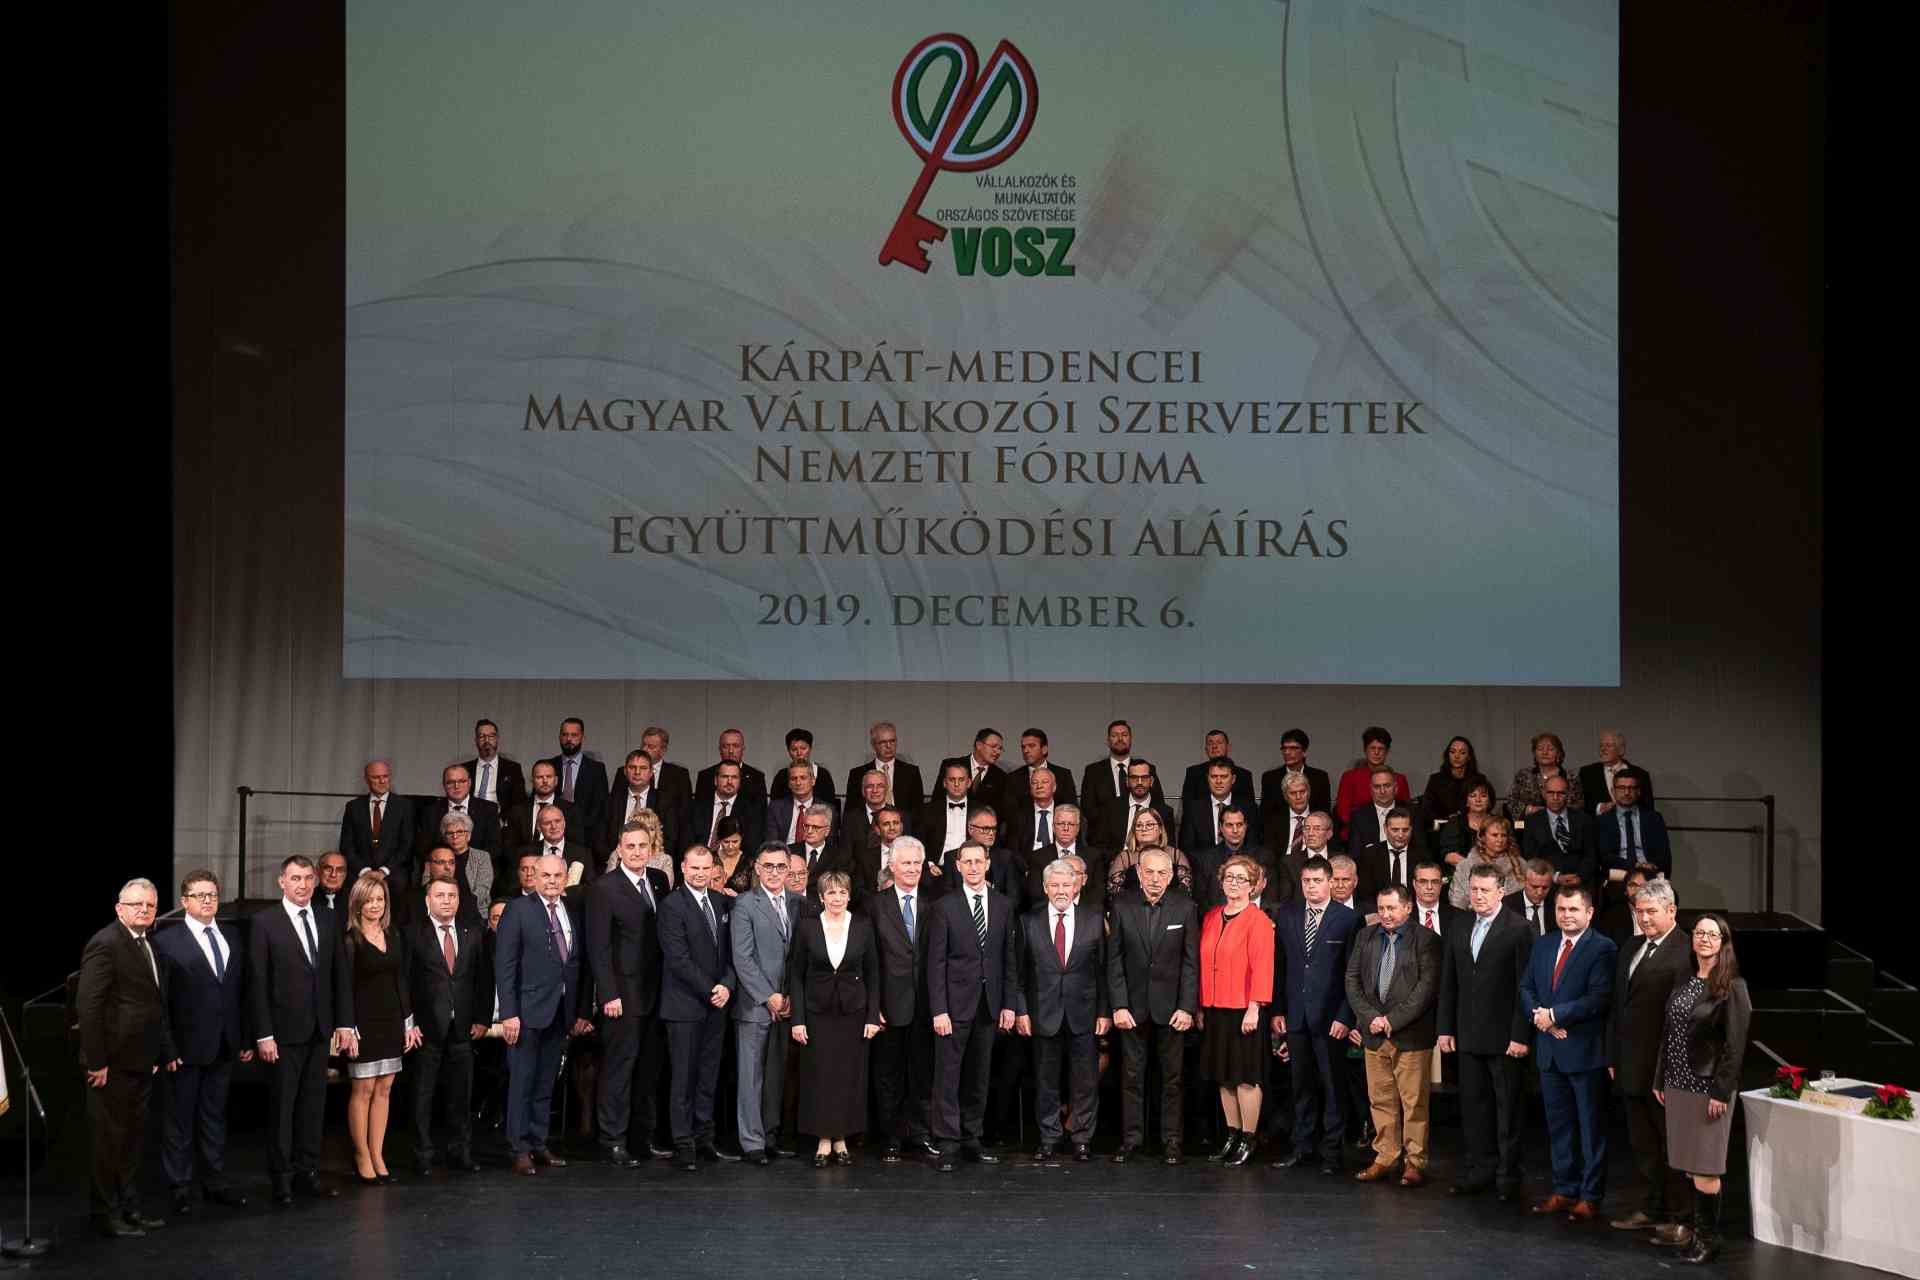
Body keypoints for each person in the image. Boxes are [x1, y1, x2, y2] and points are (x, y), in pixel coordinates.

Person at [249, 854, 356, 1204]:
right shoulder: (264, 922)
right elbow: (257, 982)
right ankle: (281, 1178)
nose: (303, 884)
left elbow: (339, 974)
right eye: (295, 878)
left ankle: (307, 1172)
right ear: (282, 882)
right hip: (281, 1034)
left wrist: (344, 1023)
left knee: (313, 1106)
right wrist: (263, 1033)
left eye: (309, 878)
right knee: (283, 1108)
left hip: (320, 1031)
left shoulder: (327, 917)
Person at [78, 878, 179, 1238]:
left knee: (133, 1142)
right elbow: (89, 1007)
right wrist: (96, 1062)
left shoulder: (148, 943)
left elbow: (155, 1005)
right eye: (137, 904)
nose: (144, 910)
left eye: (150, 905)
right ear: (119, 909)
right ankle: (104, 1215)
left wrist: (164, 1051)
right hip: (112, 1065)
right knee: (109, 1142)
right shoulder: (105, 943)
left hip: (142, 1061)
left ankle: (130, 1208)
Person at [1653, 913, 1752, 1264]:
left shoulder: (1733, 987)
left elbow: (1734, 1047)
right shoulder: (1685, 981)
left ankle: (1708, 1240)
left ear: (1723, 943)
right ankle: (1697, 1235)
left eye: (1712, 934)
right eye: (1699, 933)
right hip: (1678, 1085)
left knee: (1706, 1167)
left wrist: (1721, 1091)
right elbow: (1669, 1034)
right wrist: (1660, 1078)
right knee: (1689, 1166)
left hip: (1708, 1089)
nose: (1704, 939)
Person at [152, 870, 249, 1217]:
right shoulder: (166, 942)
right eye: (199, 895)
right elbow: (160, 1003)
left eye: (212, 894)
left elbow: (240, 992)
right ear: (184, 902)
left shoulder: (232, 936)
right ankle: (179, 1186)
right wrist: (167, 1048)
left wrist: (244, 1037)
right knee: (179, 1121)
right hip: (184, 1049)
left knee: (214, 1118)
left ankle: (214, 1182)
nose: (207, 900)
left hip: (223, 1044)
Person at [1436, 864, 1535, 1200]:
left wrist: (1520, 1035)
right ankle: (1479, 1171)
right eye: (1474, 889)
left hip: (1505, 1038)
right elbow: (1449, 980)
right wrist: (1445, 1028)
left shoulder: (1520, 928)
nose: (1477, 895)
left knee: (1507, 1111)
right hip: (1467, 1035)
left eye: (1484, 890)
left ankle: (1507, 1178)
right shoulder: (1460, 924)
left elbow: (1525, 988)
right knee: (1473, 1108)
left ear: (1501, 892)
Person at [1520, 884, 1618, 1221]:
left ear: (1589, 912)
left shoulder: (1603, 948)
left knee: (1590, 1129)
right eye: (1561, 909)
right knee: (1559, 1127)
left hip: (1585, 1053)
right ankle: (1564, 1190)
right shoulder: (1544, 943)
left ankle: (1590, 1196)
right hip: (1550, 1051)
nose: (1566, 915)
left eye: (1574, 909)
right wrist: (1541, 1019)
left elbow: (1599, 998)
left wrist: (1556, 1015)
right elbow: (1526, 987)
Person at [1609, 878, 1697, 1239]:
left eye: (1651, 912)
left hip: (1664, 1069)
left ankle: (1682, 1217)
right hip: (1629, 1064)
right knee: (1643, 1144)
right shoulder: (1631, 946)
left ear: (1671, 910)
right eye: (1639, 911)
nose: (1644, 918)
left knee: (1671, 1144)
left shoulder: (1686, 951)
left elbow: (1682, 1020)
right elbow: (1618, 1006)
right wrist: (1613, 1055)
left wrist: (1665, 1071)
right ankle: (1652, 1207)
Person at [925, 842, 1019, 1171]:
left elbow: (1008, 958)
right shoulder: (944, 907)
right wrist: (939, 1009)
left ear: (988, 863)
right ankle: (948, 1141)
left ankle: (971, 1137)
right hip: (953, 1007)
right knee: (948, 1075)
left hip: (989, 1004)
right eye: (968, 862)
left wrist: (1009, 1004)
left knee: (979, 1075)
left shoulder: (1003, 905)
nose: (974, 867)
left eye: (979, 861)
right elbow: (935, 963)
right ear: (958, 866)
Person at [1011, 860, 1111, 1162]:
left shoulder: (1094, 919)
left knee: (1085, 1081)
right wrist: (1021, 1011)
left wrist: (1104, 1012)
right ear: (1045, 888)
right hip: (1042, 1013)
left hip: (1085, 1013)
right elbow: (1018, 973)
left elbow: (1103, 971)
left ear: (1076, 886)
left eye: (1066, 884)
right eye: (1054, 885)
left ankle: (1082, 1138)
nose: (1061, 890)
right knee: (1045, 1080)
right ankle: (1049, 1137)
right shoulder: (1028, 921)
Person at [1345, 882, 1442, 1187]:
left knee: (1414, 1103)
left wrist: (1392, 1021)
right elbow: (1352, 980)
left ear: (1408, 908)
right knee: (1380, 1099)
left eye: (1392, 908)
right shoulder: (1365, 936)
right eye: (1381, 908)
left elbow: (1425, 990)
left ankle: (1415, 1162)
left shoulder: (1426, 940)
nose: (1385, 914)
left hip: (1410, 1035)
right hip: (1374, 1034)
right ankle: (1386, 1156)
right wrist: (1371, 1018)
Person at [588, 819, 672, 1166]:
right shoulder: (604, 888)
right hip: (622, 996)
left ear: (651, 849)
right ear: (620, 849)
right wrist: (609, 994)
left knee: (648, 1070)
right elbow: (598, 947)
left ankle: (642, 1139)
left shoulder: (659, 879)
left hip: (657, 993)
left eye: (643, 846)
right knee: (619, 1070)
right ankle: (612, 1140)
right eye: (631, 846)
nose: (637, 852)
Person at [1106, 848, 1199, 1164]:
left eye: (1162, 873)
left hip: (1172, 1010)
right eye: (1149, 872)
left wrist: (1187, 1007)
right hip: (1132, 1009)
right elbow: (1114, 960)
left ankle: (1172, 1141)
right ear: (1138, 873)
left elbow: (1191, 963)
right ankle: (1132, 1140)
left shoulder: (1186, 908)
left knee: (1173, 1079)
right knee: (1131, 1077)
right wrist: (1119, 1005)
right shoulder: (1122, 906)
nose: (1155, 879)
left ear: (1171, 875)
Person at [494, 853, 581, 1175]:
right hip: (526, 1012)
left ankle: (538, 1141)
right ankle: (518, 1148)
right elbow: (505, 965)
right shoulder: (518, 910)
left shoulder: (571, 909)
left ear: (565, 879)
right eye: (546, 875)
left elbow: (573, 962)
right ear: (534, 877)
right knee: (523, 1082)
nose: (552, 881)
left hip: (559, 1010)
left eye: (558, 876)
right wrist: (509, 1013)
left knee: (545, 1082)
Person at [1269, 856, 1358, 1172]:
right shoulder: (1288, 914)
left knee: (1333, 1088)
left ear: (1330, 882)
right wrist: (1278, 1009)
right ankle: (1302, 1147)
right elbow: (1280, 966)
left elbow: (1352, 974)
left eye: (1317, 881)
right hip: (1295, 1015)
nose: (1311, 886)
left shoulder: (1348, 919)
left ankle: (1332, 1153)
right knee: (1301, 1086)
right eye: (1306, 881)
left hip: (1331, 1018)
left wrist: (1345, 1017)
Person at [788, 869, 882, 1165]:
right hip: (817, 1014)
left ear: (849, 896)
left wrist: (872, 1016)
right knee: (820, 1077)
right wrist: (798, 1019)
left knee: (848, 1077)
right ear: (821, 897)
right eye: (831, 892)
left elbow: (873, 974)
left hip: (853, 1014)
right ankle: (823, 1139)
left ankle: (841, 1139)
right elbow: (796, 975)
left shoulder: (863, 926)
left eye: (842, 892)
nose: (837, 897)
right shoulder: (807, 926)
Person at [657, 844, 736, 1170]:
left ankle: (704, 1138)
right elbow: (678, 959)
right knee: (683, 1079)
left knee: (708, 1076)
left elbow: (731, 953)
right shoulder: (671, 905)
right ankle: (683, 1143)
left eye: (706, 868)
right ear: (683, 868)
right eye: (695, 868)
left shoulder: (721, 902)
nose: (701, 874)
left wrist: (727, 985)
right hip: (684, 1006)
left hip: (717, 1005)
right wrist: (711, 990)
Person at [405, 875, 488, 1176]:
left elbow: (484, 978)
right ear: (428, 900)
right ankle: (423, 1155)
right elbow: (404, 981)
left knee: (461, 1095)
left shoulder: (472, 932)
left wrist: (482, 1018)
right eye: (440, 895)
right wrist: (409, 1021)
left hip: (463, 1027)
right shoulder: (413, 934)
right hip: (426, 1029)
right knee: (423, 1095)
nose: (446, 901)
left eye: (452, 896)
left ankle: (460, 1152)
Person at [1196, 853, 1275, 1167]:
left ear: (1253, 885)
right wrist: (1201, 1005)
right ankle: (1231, 1135)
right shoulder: (1212, 916)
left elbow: (1263, 967)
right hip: (1215, 1007)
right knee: (1224, 1077)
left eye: (1242, 879)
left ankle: (1248, 1138)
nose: (1234, 883)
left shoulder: (1259, 920)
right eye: (1229, 877)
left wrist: (1255, 1008)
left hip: (1244, 1010)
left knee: (1245, 1078)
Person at [341, 872, 419, 1185]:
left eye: (380, 899)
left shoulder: (393, 934)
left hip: (391, 1021)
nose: (375, 905)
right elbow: (344, 987)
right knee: (363, 1090)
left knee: (384, 1089)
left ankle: (377, 1154)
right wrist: (348, 1027)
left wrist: (408, 1022)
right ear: (357, 903)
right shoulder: (351, 940)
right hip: (363, 1024)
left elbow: (401, 979)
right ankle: (361, 1155)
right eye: (369, 900)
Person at [731, 842, 805, 1165]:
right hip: (755, 1005)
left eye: (781, 866)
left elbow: (800, 955)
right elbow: (742, 959)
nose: (775, 872)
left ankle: (770, 1135)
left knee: (776, 1076)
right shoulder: (745, 904)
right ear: (757, 869)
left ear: (789, 870)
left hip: (787, 1005)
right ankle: (752, 1142)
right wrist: (770, 996)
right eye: (769, 866)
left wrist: (789, 997)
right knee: (751, 1077)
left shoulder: (799, 903)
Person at [863, 835, 935, 1160]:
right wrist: (873, 1005)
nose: (912, 869)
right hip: (889, 1004)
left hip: (926, 1004)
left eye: (917, 863)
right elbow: (869, 961)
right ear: (891, 866)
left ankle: (918, 1134)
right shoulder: (874, 905)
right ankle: (891, 1135)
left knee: (922, 1073)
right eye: (906, 863)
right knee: (888, 1074)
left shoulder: (934, 903)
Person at [1081, 720, 1166, 842]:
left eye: (1124, 735)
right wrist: (1113, 823)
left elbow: (1158, 803)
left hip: (1143, 834)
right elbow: (1087, 807)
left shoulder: (1147, 768)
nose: (1120, 739)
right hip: (1103, 838)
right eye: (1114, 735)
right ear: (1108, 740)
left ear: (1131, 739)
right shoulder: (1093, 771)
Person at [1104, 778, 1187, 896]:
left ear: (1160, 829)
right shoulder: (1124, 858)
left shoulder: (1176, 856)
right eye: (1139, 825)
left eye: (1149, 824)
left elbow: (1185, 892)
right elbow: (1113, 894)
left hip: (1170, 906)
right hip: (1132, 906)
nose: (1144, 828)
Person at [340, 759, 415, 886]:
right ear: (366, 779)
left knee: (399, 883)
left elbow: (407, 846)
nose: (382, 781)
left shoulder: (405, 806)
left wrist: (384, 871)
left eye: (385, 776)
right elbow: (346, 846)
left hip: (393, 872)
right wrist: (364, 871)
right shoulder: (353, 807)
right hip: (360, 872)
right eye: (376, 777)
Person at [541, 717, 609, 856]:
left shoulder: (596, 769)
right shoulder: (548, 766)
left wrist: (579, 828)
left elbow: (600, 806)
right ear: (559, 737)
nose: (569, 739)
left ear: (582, 738)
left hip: (585, 836)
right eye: (565, 734)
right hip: (550, 833)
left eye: (574, 735)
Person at [1333, 728, 1410, 846]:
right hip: (1358, 833)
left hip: (1395, 833)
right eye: (1372, 748)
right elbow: (1343, 811)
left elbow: (1406, 810)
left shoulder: (1399, 779)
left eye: (1381, 749)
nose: (1376, 753)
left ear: (1387, 751)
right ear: (1365, 750)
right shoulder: (1350, 777)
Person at [1522, 774, 1600, 889]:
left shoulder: (1584, 819)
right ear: (1543, 794)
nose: (1555, 797)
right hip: (1547, 883)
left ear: (1567, 794)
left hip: (1581, 881)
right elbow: (1531, 857)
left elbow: (1591, 855)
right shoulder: (1532, 822)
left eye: (1561, 793)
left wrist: (1580, 877)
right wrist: (1555, 877)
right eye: (1551, 793)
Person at [418, 763, 501, 865]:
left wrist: (473, 864)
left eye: (462, 781)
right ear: (444, 785)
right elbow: (424, 848)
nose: (456, 786)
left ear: (469, 783)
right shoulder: (430, 812)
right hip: (442, 866)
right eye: (450, 782)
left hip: (477, 866)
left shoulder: (488, 809)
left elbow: (494, 847)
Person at [1596, 773, 1673, 880]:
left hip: (1649, 874)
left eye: (1632, 788)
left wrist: (1653, 865)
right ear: (1613, 791)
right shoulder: (1602, 820)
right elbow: (1605, 856)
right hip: (1618, 875)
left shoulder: (1654, 818)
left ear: (1638, 791)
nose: (1627, 792)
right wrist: (1635, 866)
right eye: (1622, 788)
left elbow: (1664, 855)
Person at [1260, 728, 1333, 838]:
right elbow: (1265, 815)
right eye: (1284, 748)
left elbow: (1324, 813)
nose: (1287, 752)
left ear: (1304, 752)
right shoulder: (1270, 778)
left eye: (1293, 748)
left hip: (1313, 835)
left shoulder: (1319, 778)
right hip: (1279, 837)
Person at [1181, 756, 1262, 854]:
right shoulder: (1193, 809)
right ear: (1207, 778)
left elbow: (1253, 845)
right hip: (1203, 862)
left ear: (1233, 779)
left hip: (1240, 860)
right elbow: (1187, 848)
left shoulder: (1249, 808)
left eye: (1224, 777)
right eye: (1214, 776)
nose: (1218, 781)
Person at [1179, 732, 1257, 831]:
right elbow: (1187, 807)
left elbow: (1250, 809)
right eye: (1210, 743)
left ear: (1228, 747)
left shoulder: (1243, 774)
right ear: (1206, 749)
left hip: (1236, 829)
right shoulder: (1194, 773)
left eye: (1219, 742)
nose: (1214, 746)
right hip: (1203, 829)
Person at [1345, 768, 1429, 859]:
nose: (1382, 791)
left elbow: (1421, 849)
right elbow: (1355, 854)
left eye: (1387, 786)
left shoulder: (1413, 812)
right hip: (1371, 864)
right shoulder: (1359, 816)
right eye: (1377, 787)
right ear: (1371, 790)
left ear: (1396, 788)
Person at [692, 760, 766, 862]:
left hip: (733, 863)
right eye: (725, 777)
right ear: (716, 780)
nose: (729, 782)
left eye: (734, 777)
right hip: (699, 860)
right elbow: (688, 841)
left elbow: (751, 848)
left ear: (740, 782)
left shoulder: (751, 810)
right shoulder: (697, 806)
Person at [1448, 816, 1527, 910]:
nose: (1500, 840)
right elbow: (1457, 902)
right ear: (1483, 837)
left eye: (1503, 835)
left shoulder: (1521, 864)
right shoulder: (1466, 865)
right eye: (1494, 835)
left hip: (1512, 916)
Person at [462, 717, 526, 828]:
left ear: (497, 739)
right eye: (482, 736)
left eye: (491, 736)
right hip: (469, 823)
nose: (487, 740)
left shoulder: (512, 769)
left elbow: (519, 802)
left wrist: (505, 821)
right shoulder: (464, 769)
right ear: (476, 740)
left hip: (500, 824)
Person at [1506, 732, 1585, 820]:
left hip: (1561, 823)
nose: (1545, 752)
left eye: (1550, 749)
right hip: (1528, 822)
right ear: (1534, 753)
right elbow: (1511, 802)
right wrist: (1529, 809)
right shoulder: (1523, 775)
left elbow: (1578, 805)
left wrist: (1554, 812)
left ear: (1559, 753)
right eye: (1540, 749)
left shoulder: (1570, 776)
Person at [506, 760, 578, 855]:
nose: (545, 781)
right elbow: (510, 848)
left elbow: (576, 847)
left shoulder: (571, 810)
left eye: (549, 776)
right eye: (539, 777)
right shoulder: (517, 811)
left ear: (556, 780)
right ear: (532, 781)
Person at [852, 719, 926, 811]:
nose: (888, 746)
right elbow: (852, 811)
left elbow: (918, 810)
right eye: (883, 742)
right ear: (873, 745)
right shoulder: (857, 774)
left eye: (892, 741)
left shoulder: (911, 772)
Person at [1353, 807, 1419, 907]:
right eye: (1395, 830)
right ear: (1385, 829)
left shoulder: (1422, 855)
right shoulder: (1370, 855)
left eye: (1405, 830)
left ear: (1411, 829)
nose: (1400, 835)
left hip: (1411, 910)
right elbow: (1364, 894)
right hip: (1378, 910)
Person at [1579, 730, 1654, 816]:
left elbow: (1648, 808)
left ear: (1621, 750)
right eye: (1601, 746)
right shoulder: (1587, 773)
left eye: (1608, 745)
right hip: (1598, 823)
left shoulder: (1640, 774)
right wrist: (1600, 808)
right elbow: (1580, 805)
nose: (1603, 749)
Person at [1434, 776, 1497, 874]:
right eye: (1473, 796)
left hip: (1496, 872)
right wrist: (1476, 866)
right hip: (1463, 872)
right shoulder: (1456, 822)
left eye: (1483, 796)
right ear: (1466, 801)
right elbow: (1449, 856)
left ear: (1489, 801)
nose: (1478, 800)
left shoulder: (1498, 822)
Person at [1006, 726, 1076, 811]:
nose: (1026, 751)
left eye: (1031, 746)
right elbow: (1010, 812)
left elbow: (1072, 809)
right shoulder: (1013, 778)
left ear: (1044, 749)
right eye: (1023, 747)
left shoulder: (1063, 775)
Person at [768, 727, 839, 806]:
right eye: (794, 749)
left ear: (810, 748)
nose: (799, 753)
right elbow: (774, 806)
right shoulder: (781, 776)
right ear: (788, 751)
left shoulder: (823, 775)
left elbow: (830, 806)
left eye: (803, 748)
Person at [1421, 736, 1484, 823]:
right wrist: (1447, 820)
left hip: (1471, 824)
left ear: (1469, 757)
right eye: (1452, 752)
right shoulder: (1436, 780)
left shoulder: (1479, 779)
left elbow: (1485, 805)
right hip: (1443, 825)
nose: (1456, 756)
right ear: (1448, 755)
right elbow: (1427, 809)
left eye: (1462, 752)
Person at [1505, 859, 1558, 938]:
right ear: (1524, 881)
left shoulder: (1557, 903)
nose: (1539, 892)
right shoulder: (1507, 905)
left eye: (1545, 888)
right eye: (1534, 887)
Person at [315, 849, 351, 922]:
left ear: (345, 874)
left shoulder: (354, 901)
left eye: (339, 870)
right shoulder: (307, 899)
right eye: (328, 869)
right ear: (317, 871)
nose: (333, 874)